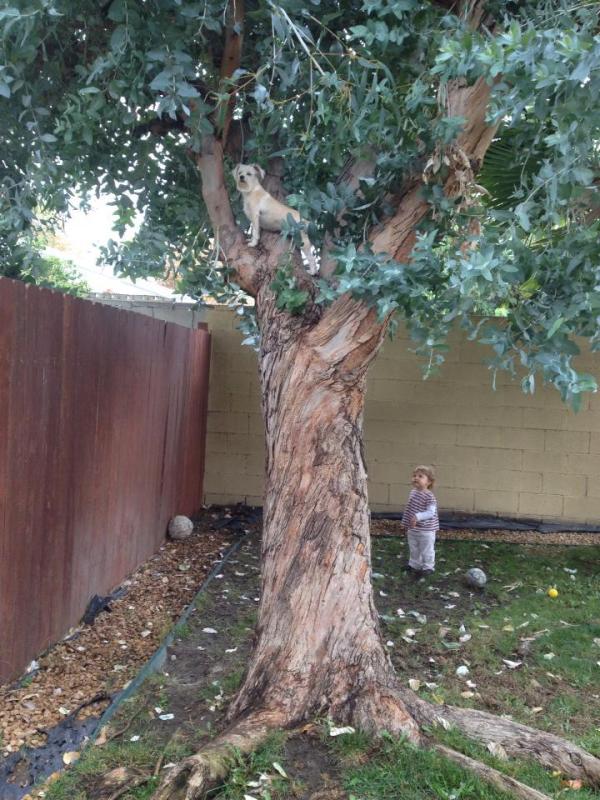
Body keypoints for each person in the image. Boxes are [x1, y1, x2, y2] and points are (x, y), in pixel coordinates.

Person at [401, 465, 439, 575]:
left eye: (420, 476)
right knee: (414, 548)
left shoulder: (429, 496)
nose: (416, 478)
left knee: (426, 549)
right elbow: (409, 508)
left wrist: (418, 517)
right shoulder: (413, 492)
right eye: (414, 476)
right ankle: (414, 564)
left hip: (426, 530)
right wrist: (405, 522)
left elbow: (431, 513)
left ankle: (428, 567)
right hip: (413, 528)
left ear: (429, 482)